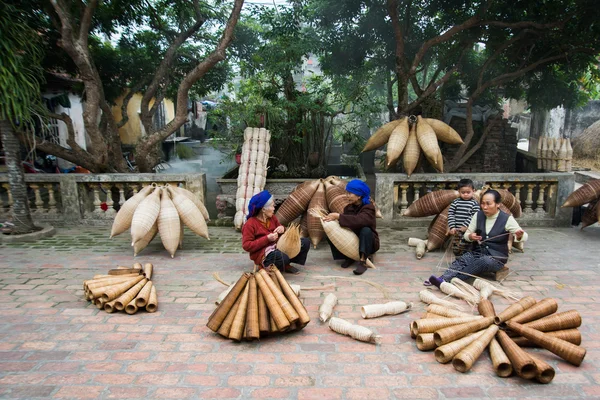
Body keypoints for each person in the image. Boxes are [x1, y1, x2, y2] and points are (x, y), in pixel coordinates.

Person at [427, 189, 527, 286]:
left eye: (488, 204)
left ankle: (451, 280)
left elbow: (523, 236)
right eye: (482, 203)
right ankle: (442, 278)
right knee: (464, 258)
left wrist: (520, 235)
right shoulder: (478, 215)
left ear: (498, 204)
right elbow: (467, 235)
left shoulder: (506, 218)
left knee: (483, 262)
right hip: (477, 252)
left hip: (497, 258)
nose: (484, 207)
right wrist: (470, 236)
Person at [241, 190, 310, 274]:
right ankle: (265, 264)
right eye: (272, 206)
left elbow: (282, 229)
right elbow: (246, 246)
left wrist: (282, 228)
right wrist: (267, 239)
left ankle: (286, 263)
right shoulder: (250, 224)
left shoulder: (272, 218)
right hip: (263, 253)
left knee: (304, 242)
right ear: (263, 209)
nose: (274, 209)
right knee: (281, 257)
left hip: (278, 247)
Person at [323, 180, 379, 275]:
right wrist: (332, 222)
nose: (347, 195)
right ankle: (348, 256)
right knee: (330, 233)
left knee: (365, 230)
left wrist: (339, 216)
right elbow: (345, 223)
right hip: (352, 239)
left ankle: (363, 260)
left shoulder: (369, 207)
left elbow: (360, 220)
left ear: (359, 196)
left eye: (350, 193)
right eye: (347, 193)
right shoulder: (348, 208)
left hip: (368, 241)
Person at [448, 179, 480, 256]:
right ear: (459, 191)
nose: (465, 194)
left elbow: (474, 216)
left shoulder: (474, 203)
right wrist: (452, 227)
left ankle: (468, 258)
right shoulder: (455, 202)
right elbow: (451, 214)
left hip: (469, 230)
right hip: (457, 230)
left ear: (473, 191)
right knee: (457, 246)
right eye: (463, 192)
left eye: (468, 192)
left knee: (468, 245)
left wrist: (465, 225)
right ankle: (458, 258)